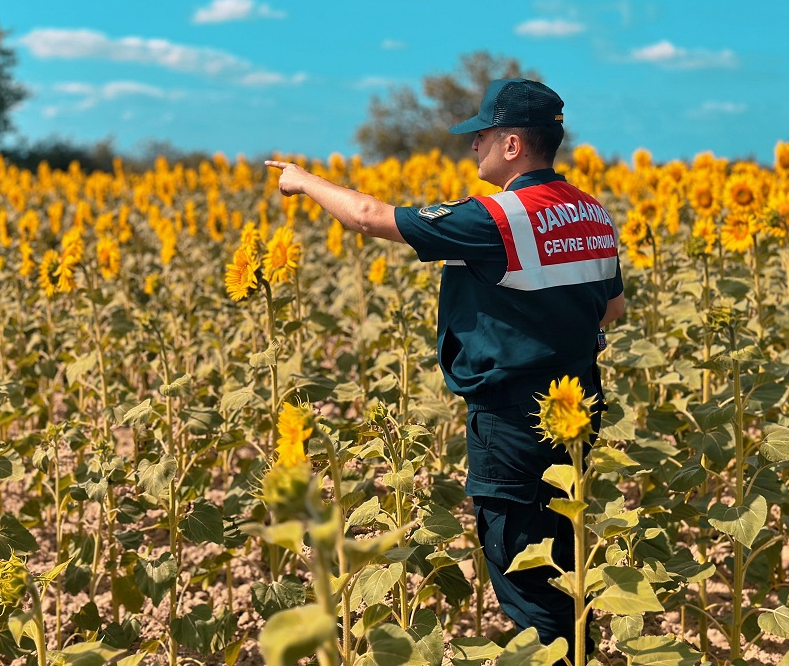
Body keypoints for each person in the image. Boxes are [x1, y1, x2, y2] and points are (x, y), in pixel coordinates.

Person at [267, 78, 625, 653]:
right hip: (578, 407)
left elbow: (365, 216)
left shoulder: (497, 218)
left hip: (512, 421)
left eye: (480, 136)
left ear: (512, 145)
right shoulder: (592, 214)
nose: (472, 147)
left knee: (526, 578)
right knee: (565, 554)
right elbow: (611, 310)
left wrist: (303, 181)